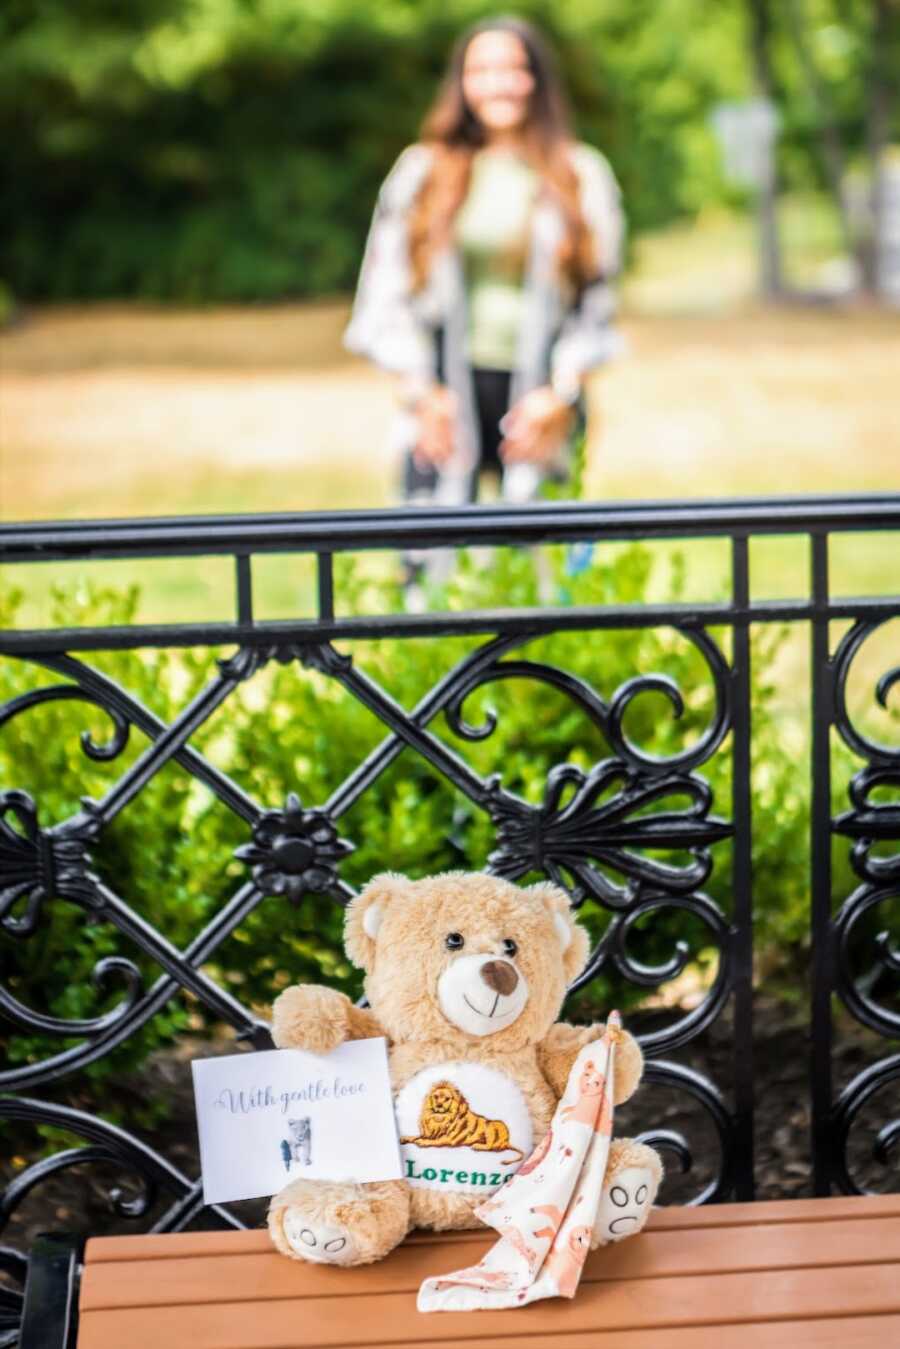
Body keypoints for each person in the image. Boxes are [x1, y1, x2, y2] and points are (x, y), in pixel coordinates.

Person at [344, 14, 624, 525]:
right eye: (482, 69)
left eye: (514, 68)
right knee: (429, 561)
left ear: (537, 80)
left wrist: (560, 395)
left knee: (546, 568)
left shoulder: (581, 174)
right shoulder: (422, 172)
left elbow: (598, 302)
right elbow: (385, 293)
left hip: (543, 399)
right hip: (443, 397)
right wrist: (420, 391)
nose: (498, 83)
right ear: (462, 82)